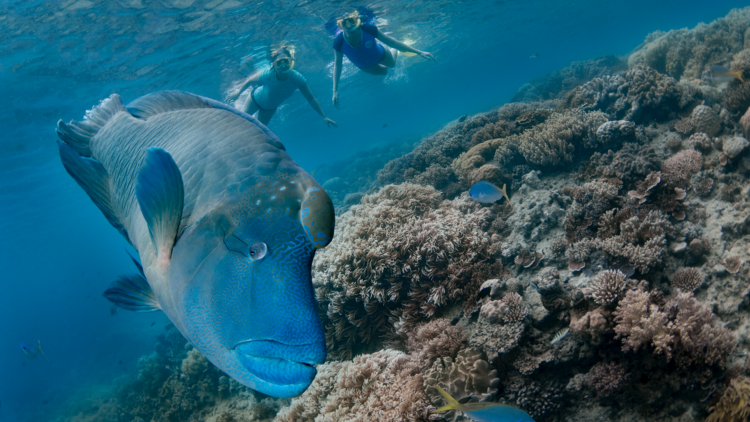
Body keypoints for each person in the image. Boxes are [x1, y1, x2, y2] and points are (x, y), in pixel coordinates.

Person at [332, 10, 436, 107]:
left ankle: (395, 50)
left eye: (351, 21)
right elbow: (338, 65)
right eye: (344, 24)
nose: (349, 26)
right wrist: (335, 90)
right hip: (365, 66)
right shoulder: (339, 42)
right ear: (341, 26)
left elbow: (392, 42)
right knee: (385, 72)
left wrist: (419, 52)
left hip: (381, 54)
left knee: (393, 64)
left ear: (357, 22)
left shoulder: (369, 29)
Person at [230, 43, 337, 127]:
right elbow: (249, 80)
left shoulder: (297, 78)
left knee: (258, 130)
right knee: (242, 121)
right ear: (274, 65)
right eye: (279, 63)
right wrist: (237, 93)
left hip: (270, 109)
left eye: (286, 61)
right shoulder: (268, 74)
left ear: (291, 62)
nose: (283, 66)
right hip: (255, 100)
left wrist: (323, 116)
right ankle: (238, 103)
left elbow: (310, 98)